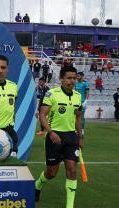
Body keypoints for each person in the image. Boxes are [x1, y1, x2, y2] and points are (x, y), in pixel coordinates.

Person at [35, 66, 83, 208]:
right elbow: (42, 115)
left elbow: (78, 119)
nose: (72, 81)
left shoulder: (78, 96)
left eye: (74, 78)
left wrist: (81, 136)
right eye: (68, 78)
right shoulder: (51, 94)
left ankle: (70, 205)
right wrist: (50, 132)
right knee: (52, 173)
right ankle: (38, 184)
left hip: (71, 138)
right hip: (54, 136)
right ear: (61, 78)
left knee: (72, 170)